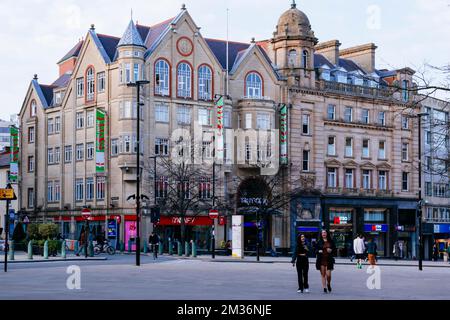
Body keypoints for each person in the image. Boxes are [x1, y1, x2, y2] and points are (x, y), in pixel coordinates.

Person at [315, 230, 336, 294]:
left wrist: (331, 250)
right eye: (322, 233)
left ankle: (328, 284)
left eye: (325, 232)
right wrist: (318, 251)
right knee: (323, 274)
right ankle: (324, 287)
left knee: (328, 275)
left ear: (327, 234)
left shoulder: (331, 241)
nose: (323, 234)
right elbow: (315, 250)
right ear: (321, 234)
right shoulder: (319, 242)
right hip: (321, 259)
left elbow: (334, 250)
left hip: (329, 259)